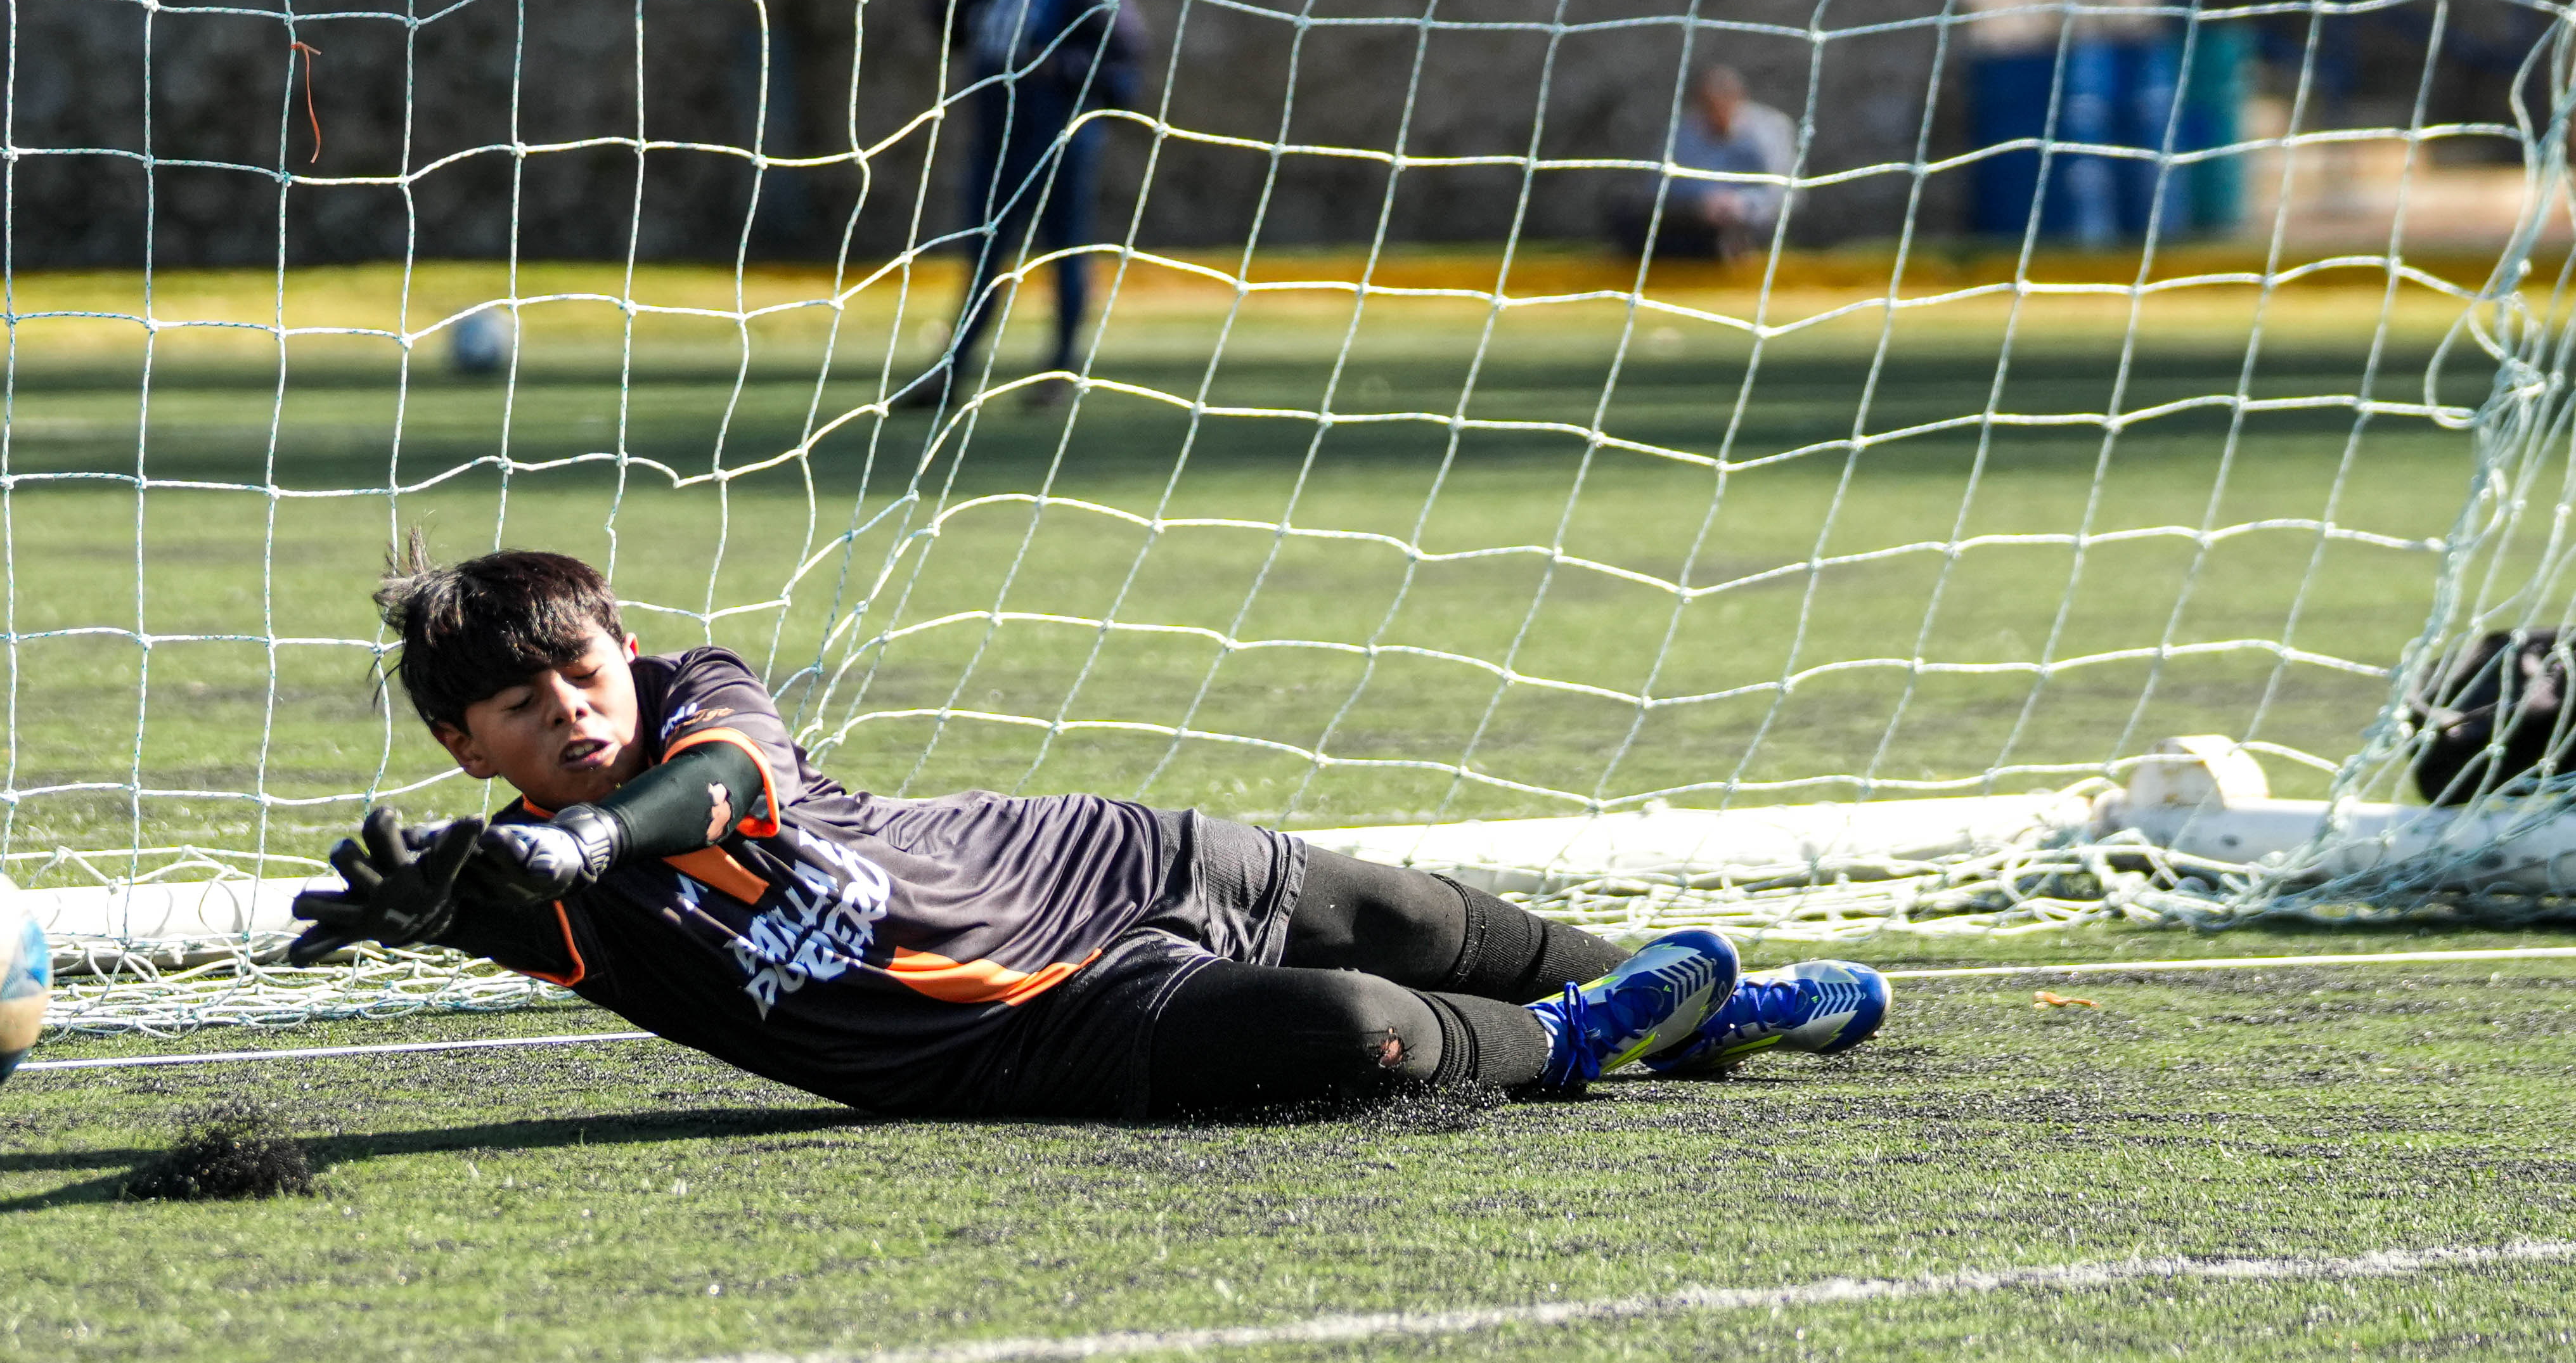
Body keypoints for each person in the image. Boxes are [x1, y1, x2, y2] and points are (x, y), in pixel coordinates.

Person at [285, 546, 1891, 1120]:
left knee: (1396, 908)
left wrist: (580, 839)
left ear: (616, 651)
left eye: (578, 671)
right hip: (1024, 1033)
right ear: (459, 743)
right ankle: (1584, 1043)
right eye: (516, 708)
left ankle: (1700, 1009)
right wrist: (446, 904)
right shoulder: (543, 892)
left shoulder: (697, 694)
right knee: (1349, 1028)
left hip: (1076, 859)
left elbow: (715, 787)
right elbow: (502, 898)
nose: (568, 710)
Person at [901, 0, 1146, 413]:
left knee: (1066, 247)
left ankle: (1060, 368)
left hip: (1058, 130)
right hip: (997, 131)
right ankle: (952, 372)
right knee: (985, 249)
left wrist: (1059, 69)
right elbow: (963, 34)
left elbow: (1125, 54)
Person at [1636, 66, 1797, 264]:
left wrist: (1740, 204)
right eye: (1708, 106)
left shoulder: (1771, 130)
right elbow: (1657, 188)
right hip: (1692, 221)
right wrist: (1701, 204)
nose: (1716, 113)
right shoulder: (1681, 133)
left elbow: (1786, 193)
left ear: (1740, 99)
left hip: (1751, 223)